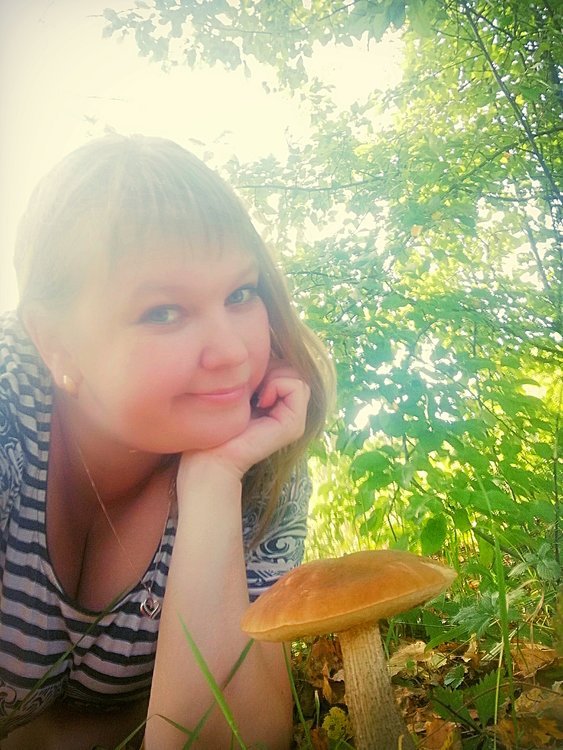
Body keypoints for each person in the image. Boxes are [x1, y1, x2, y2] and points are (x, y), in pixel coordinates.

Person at [0, 134, 334, 749]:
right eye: (163, 312)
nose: (231, 353)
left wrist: (213, 479)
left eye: (240, 294)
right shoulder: (8, 415)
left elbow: (234, 741)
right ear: (56, 344)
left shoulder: (262, 464)